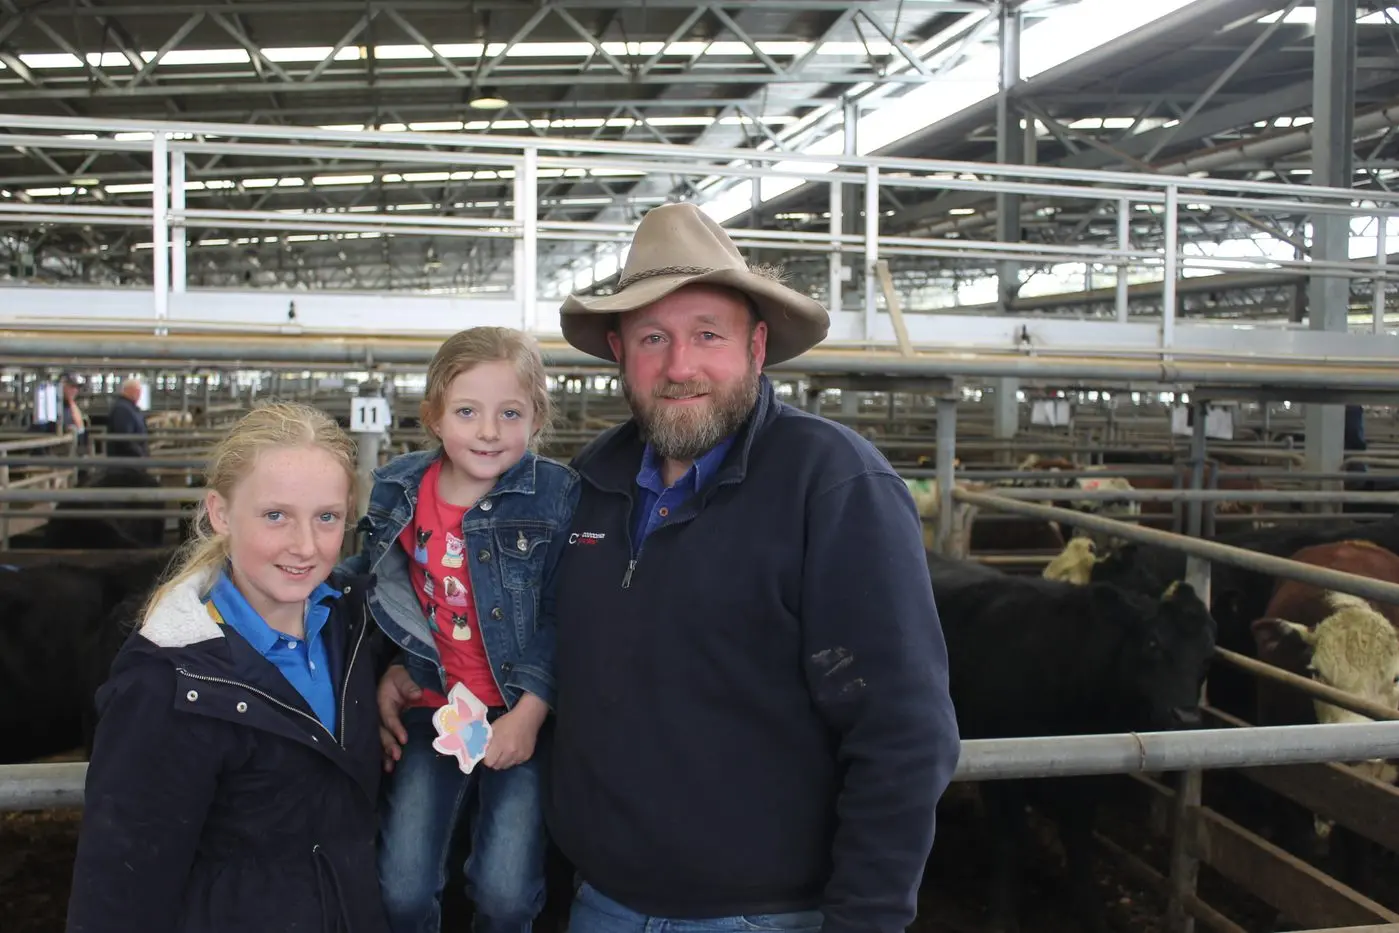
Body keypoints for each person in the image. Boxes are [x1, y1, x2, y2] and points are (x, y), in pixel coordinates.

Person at [551, 202, 961, 933]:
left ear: (757, 345)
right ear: (619, 351)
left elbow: (901, 729)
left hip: (766, 914)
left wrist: (864, 921)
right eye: (653, 338)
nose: (680, 367)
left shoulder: (831, 483)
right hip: (602, 901)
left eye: (707, 334)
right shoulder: (586, 485)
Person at [65, 401, 393, 933]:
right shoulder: (166, 684)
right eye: (275, 515)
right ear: (219, 513)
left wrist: (400, 674)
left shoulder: (352, 626)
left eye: (327, 517)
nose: (305, 546)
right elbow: (120, 890)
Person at [355, 327, 580, 933]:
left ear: (536, 418)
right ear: (433, 416)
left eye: (510, 413)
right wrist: (395, 667)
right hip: (435, 707)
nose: (488, 431)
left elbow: (566, 612)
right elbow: (377, 585)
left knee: (505, 893)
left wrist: (531, 714)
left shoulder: (556, 496)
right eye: (467, 411)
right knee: (401, 888)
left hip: (516, 711)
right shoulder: (398, 489)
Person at [106, 377, 150, 458]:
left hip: (131, 459)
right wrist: (140, 454)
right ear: (129, 390)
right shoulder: (122, 409)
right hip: (126, 461)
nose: (139, 395)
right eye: (137, 391)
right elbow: (125, 438)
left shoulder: (129, 407)